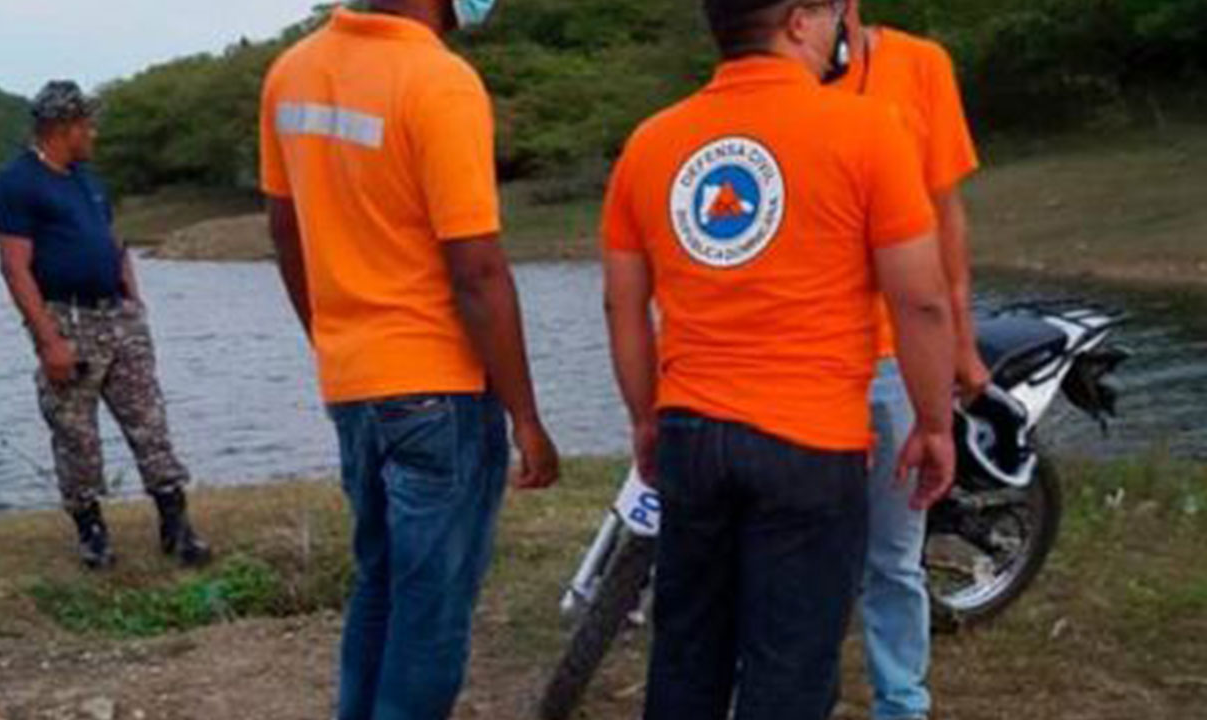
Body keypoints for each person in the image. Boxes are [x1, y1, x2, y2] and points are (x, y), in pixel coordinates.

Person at [601, 0, 958, 717]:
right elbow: (921, 301)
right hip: (811, 443)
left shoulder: (650, 142)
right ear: (797, 21)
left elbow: (622, 306)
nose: (837, 26)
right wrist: (933, 422)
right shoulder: (866, 130)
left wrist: (646, 418)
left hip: (691, 433)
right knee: (789, 666)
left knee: (687, 651)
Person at [258, 2, 560, 718]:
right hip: (439, 389)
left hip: (353, 383)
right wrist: (525, 417)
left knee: (382, 583)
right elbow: (476, 269)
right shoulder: (440, 81)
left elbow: (284, 231)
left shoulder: (291, 71)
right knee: (432, 608)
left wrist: (335, 340)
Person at [827, 4, 989, 718]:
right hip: (805, 358)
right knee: (800, 548)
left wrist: (960, 339)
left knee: (893, 553)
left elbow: (945, 212)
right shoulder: (772, 63)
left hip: (896, 351)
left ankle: (901, 702)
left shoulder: (920, 65)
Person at [0, 81, 211, 570]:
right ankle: (92, 532)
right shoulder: (16, 183)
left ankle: (176, 525)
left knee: (149, 421)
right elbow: (14, 266)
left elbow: (112, 238)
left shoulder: (87, 178)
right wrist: (48, 340)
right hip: (67, 319)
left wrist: (133, 296)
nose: (93, 132)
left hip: (119, 316)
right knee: (76, 433)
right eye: (87, 123)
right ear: (63, 127)